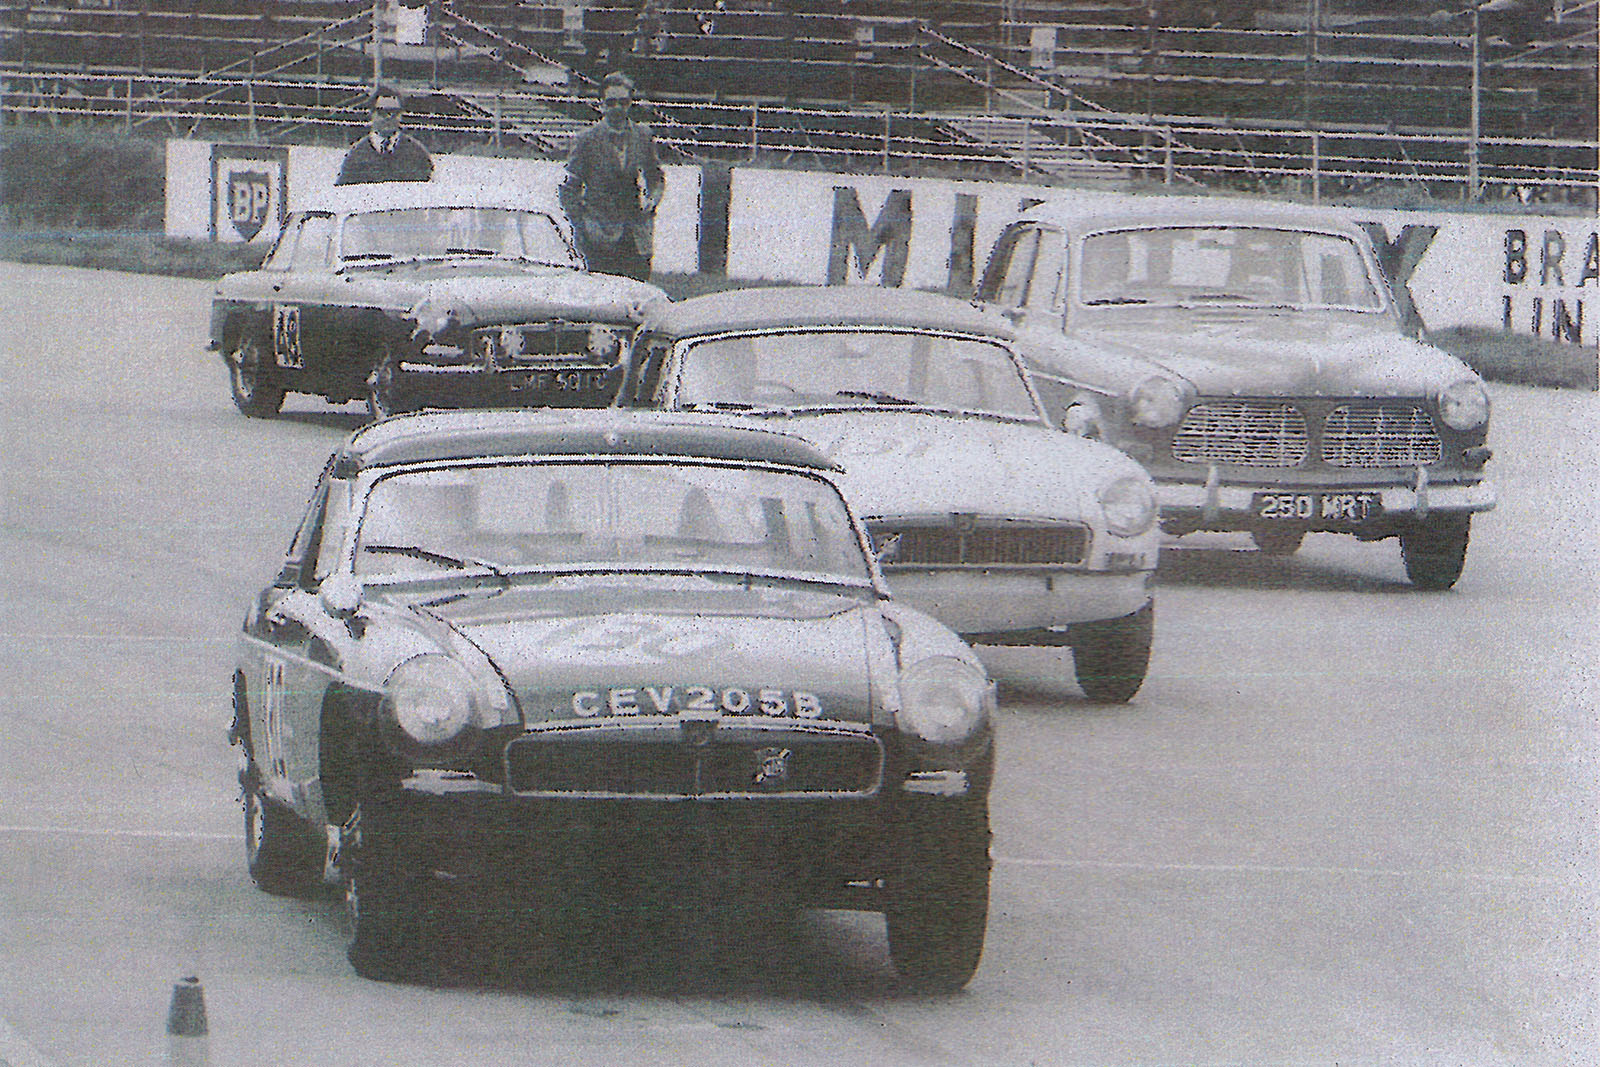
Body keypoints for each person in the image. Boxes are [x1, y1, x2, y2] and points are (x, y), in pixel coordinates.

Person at [558, 72, 665, 281]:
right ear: (602, 104)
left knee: (637, 296)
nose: (617, 108)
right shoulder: (587, 139)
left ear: (630, 103)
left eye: (623, 102)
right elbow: (569, 188)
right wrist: (583, 225)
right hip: (600, 236)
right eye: (611, 102)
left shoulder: (643, 135)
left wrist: (652, 202)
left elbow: (656, 177)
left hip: (635, 236)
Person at [335, 90, 434, 186]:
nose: (388, 117)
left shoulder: (417, 153)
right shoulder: (356, 156)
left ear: (401, 115)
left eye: (394, 112)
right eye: (382, 111)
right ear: (371, 113)